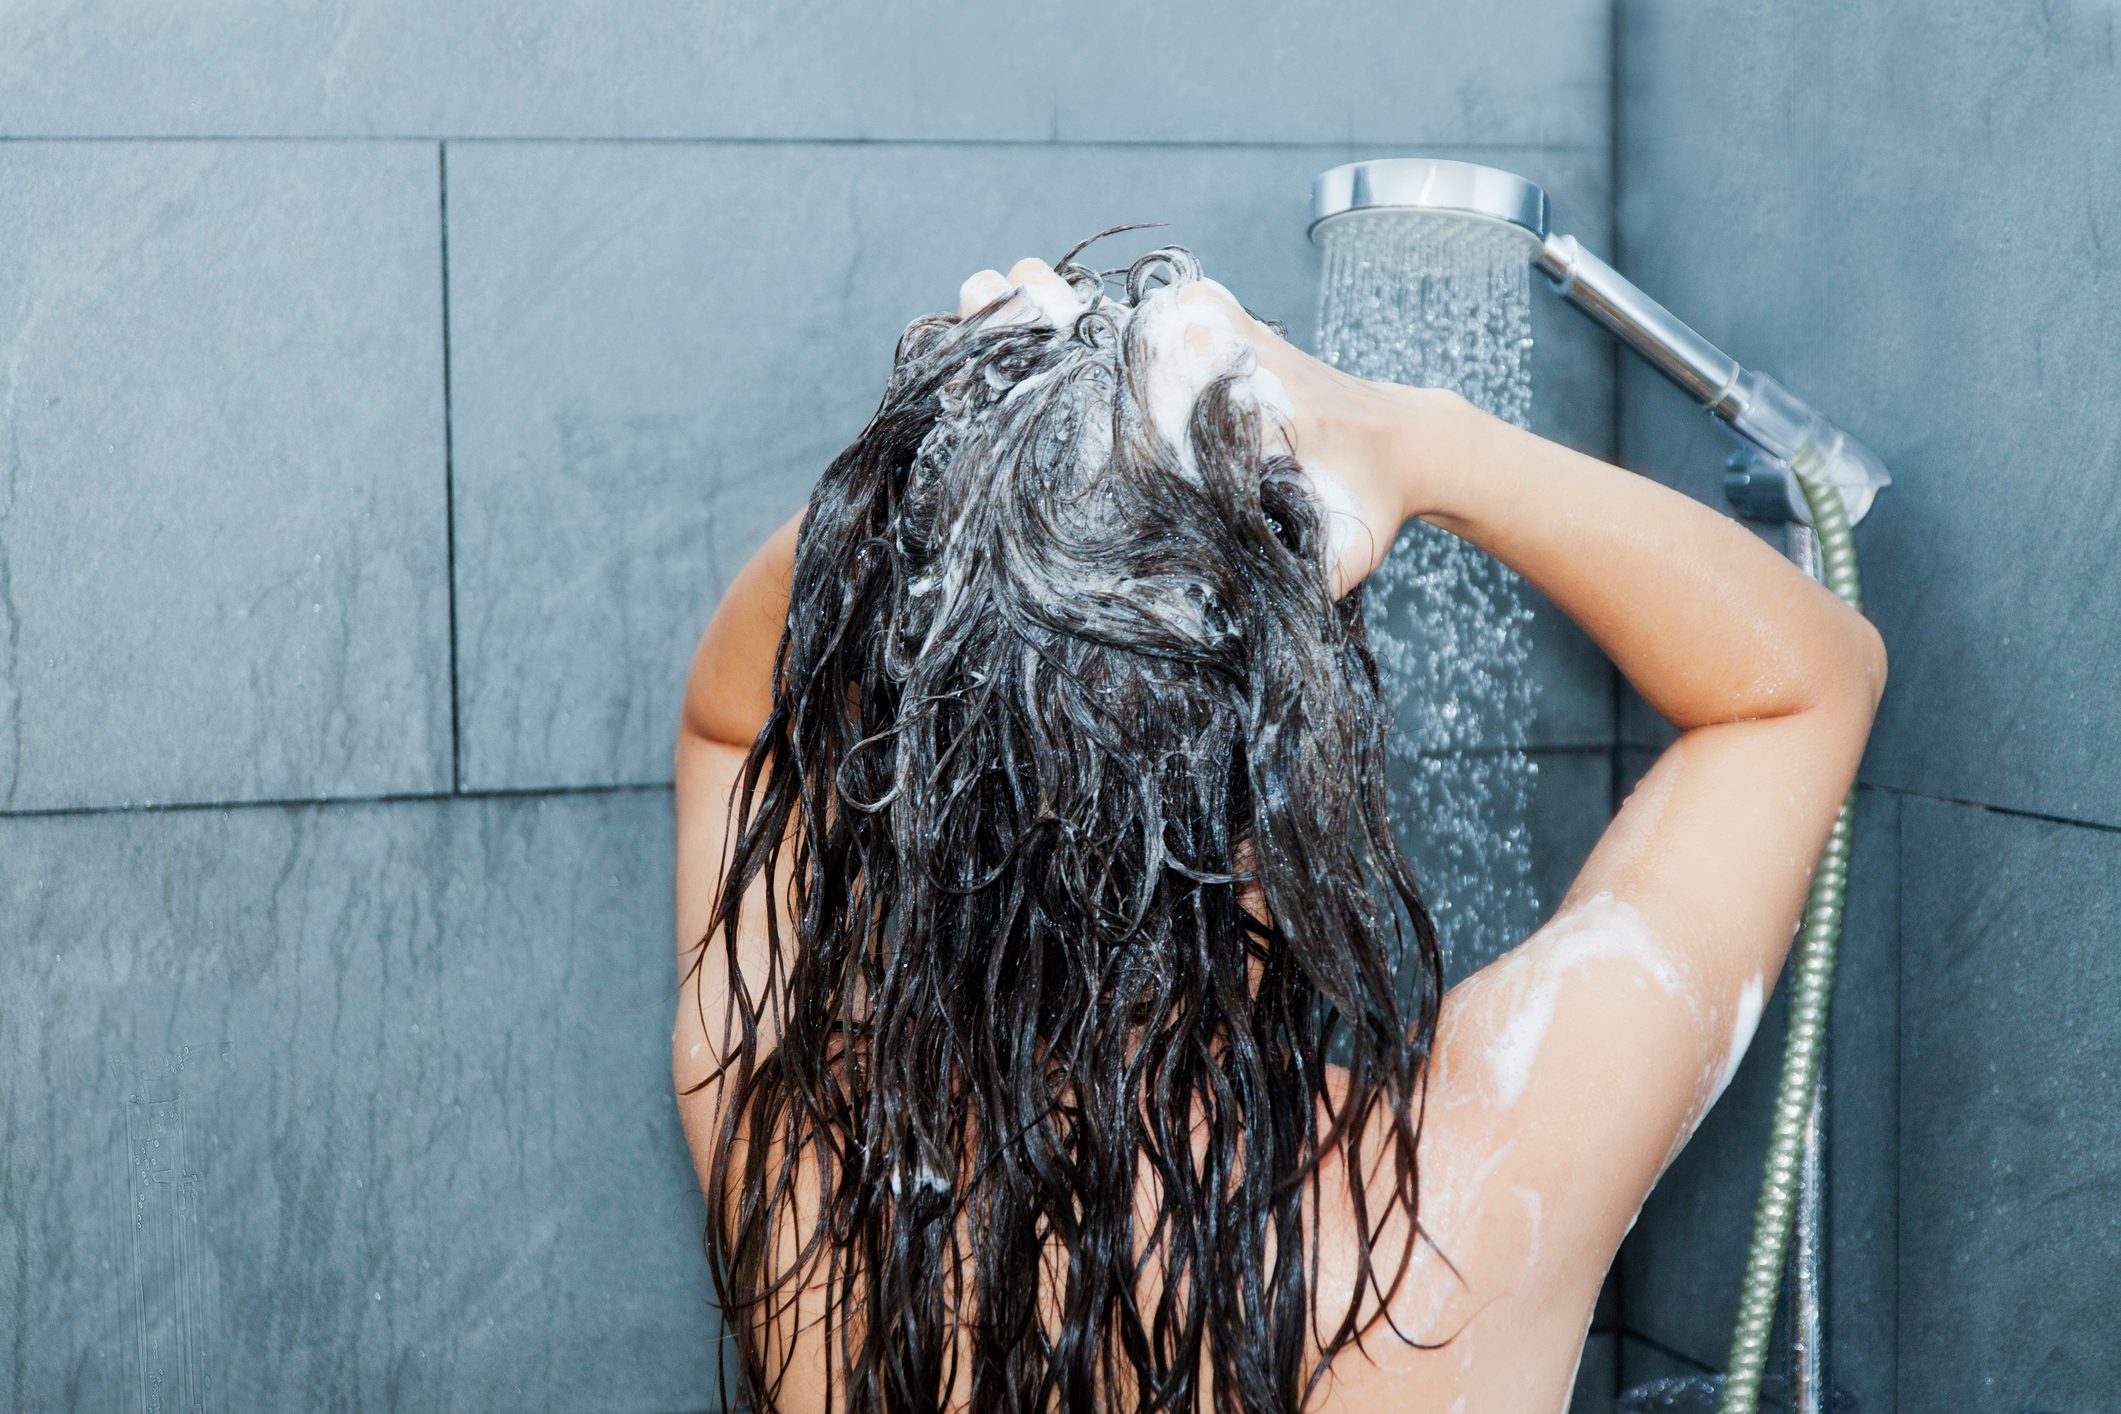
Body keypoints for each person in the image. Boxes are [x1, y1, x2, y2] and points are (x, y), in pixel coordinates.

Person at [670, 240, 1885, 1413]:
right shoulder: (1468, 1196)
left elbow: (731, 723)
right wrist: (1420, 442)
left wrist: (936, 466)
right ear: (1287, 790)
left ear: (939, 796)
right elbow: (1801, 687)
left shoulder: (806, 1174)